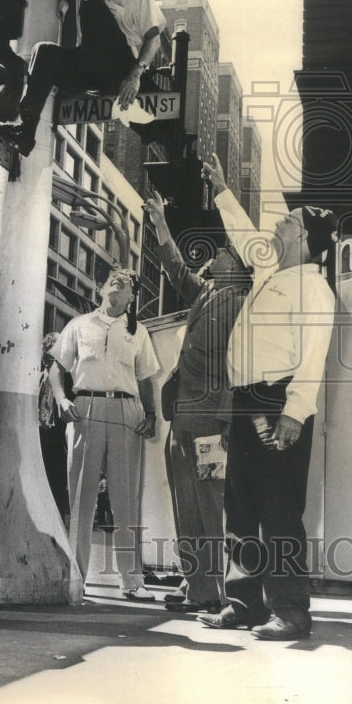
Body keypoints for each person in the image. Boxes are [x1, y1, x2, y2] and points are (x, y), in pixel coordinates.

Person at [196, 155, 337, 641]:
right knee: (241, 507)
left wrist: (295, 414)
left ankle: (292, 613)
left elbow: (314, 357)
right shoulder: (272, 272)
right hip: (246, 402)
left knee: (278, 511)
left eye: (288, 222)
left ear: (304, 238)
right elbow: (241, 233)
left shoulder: (315, 290)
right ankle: (244, 604)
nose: (278, 225)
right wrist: (220, 188)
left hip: (277, 405)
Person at [143, 189, 253, 614]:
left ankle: (221, 594)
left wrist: (227, 426)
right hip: (184, 422)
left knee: (211, 509)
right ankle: (198, 589)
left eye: (223, 254)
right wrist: (160, 225)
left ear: (238, 268)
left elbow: (238, 369)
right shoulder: (209, 293)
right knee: (186, 507)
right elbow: (175, 270)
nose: (214, 258)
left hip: (212, 425)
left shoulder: (241, 302)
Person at [0, 0, 166, 156]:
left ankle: (140, 114)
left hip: (119, 71)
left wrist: (136, 74)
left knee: (91, 5)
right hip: (88, 70)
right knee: (43, 53)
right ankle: (26, 132)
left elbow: (153, 39)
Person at [47, 268, 161, 601]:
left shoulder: (138, 331)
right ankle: (74, 579)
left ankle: (132, 582)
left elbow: (146, 378)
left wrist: (151, 415)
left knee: (126, 499)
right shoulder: (78, 325)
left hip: (127, 410)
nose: (119, 283)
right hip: (85, 408)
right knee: (81, 498)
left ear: (132, 297)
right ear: (101, 289)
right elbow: (57, 368)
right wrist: (61, 398)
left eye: (127, 283)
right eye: (114, 279)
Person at [37, 332, 70, 524]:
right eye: (46, 355)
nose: (48, 360)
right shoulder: (39, 376)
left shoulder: (68, 380)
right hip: (41, 438)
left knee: (58, 487)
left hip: (59, 441)